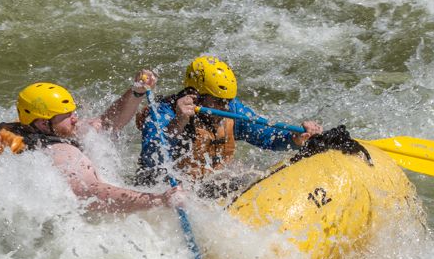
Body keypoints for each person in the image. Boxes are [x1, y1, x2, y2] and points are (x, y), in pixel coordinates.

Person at [0, 81, 184, 214]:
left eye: (73, 112)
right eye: (67, 116)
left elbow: (107, 122)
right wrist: (157, 200)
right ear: (43, 123)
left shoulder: (20, 129)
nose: (75, 118)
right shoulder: (61, 154)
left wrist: (135, 93)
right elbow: (90, 193)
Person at [136, 55, 323, 197]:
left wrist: (295, 139)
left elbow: (267, 136)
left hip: (208, 183)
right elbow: (152, 159)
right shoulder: (163, 112)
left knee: (248, 172)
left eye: (228, 100)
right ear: (194, 95)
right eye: (218, 101)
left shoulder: (231, 108)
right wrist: (179, 122)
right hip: (166, 190)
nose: (225, 107)